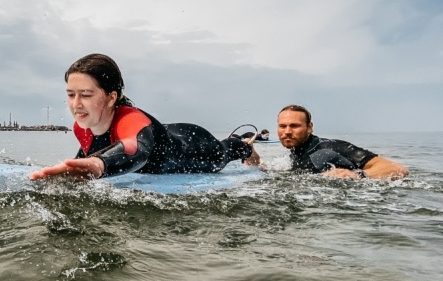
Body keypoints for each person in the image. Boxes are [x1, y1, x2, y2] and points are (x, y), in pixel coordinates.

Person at [29, 54, 259, 180]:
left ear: (111, 97)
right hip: (164, 131)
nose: (76, 104)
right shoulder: (82, 127)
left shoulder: (129, 120)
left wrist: (99, 165)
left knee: (226, 151)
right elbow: (88, 156)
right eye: (70, 94)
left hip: (196, 146)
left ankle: (246, 143)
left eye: (86, 95)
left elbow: (134, 148)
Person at [276, 104, 408, 180]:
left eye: (294, 126)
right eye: (282, 126)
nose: (287, 131)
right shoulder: (296, 152)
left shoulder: (329, 147)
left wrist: (357, 175)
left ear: (309, 127)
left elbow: (397, 169)